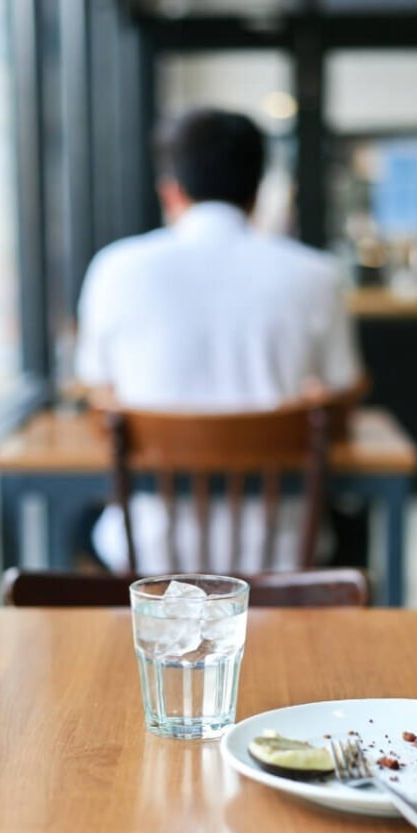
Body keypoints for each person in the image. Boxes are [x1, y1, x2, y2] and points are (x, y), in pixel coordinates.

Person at [76, 107, 366, 574]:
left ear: (171, 190)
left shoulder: (115, 270)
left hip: (148, 549)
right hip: (283, 548)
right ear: (257, 192)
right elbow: (342, 393)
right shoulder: (318, 276)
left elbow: (96, 390)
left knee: (77, 526)